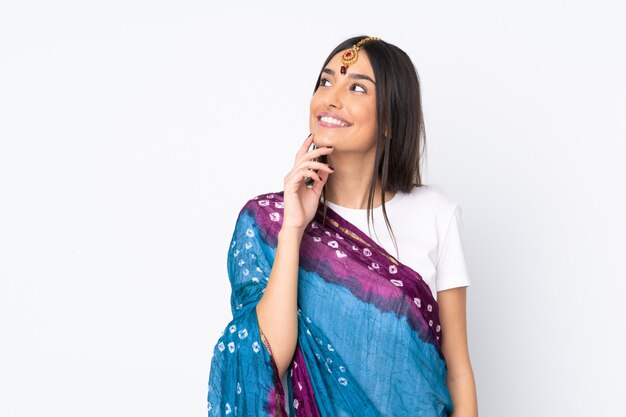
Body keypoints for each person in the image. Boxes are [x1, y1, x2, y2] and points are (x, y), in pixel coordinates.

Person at [207, 35, 478, 417]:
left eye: (356, 88)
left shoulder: (436, 215)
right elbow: (265, 356)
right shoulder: (268, 222)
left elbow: (458, 372)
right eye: (325, 81)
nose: (331, 98)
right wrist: (294, 228)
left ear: (390, 120)